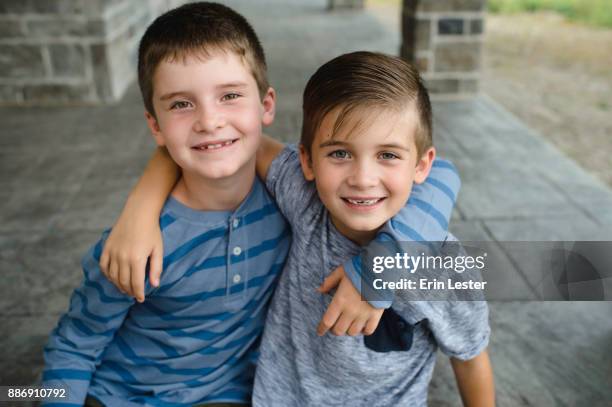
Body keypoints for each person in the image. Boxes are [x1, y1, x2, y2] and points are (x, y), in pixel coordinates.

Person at [100, 50, 494, 405]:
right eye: (340, 153)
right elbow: (225, 141)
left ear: (422, 166)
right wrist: (141, 207)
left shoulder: (443, 268)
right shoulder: (304, 198)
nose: (362, 178)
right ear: (306, 161)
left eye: (388, 155)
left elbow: (471, 357)